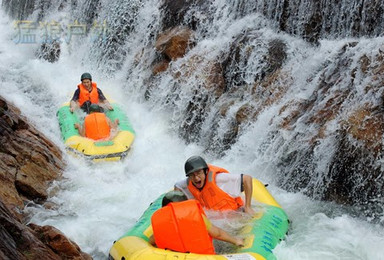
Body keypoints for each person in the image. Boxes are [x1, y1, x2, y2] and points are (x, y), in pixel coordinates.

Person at [149, 190, 244, 254]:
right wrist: (236, 241)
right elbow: (217, 234)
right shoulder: (196, 216)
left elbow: (152, 240)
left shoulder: (162, 221)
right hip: (199, 256)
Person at [175, 156, 255, 215]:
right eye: (192, 175)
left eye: (199, 173)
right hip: (216, 219)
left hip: (236, 213)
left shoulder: (219, 179)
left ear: (206, 171)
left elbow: (247, 178)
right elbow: (177, 186)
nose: (196, 178)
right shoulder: (188, 182)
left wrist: (248, 206)